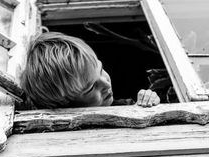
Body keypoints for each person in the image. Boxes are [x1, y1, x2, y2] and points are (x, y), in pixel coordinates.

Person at [20, 32, 160, 109]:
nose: (105, 84)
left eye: (101, 70)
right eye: (91, 88)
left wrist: (145, 105)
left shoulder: (122, 107)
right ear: (65, 106)